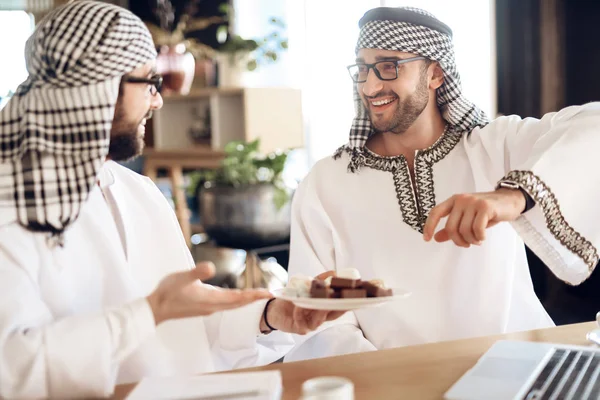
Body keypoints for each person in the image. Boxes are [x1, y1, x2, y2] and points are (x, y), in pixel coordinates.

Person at [0, 2, 342, 398]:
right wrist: (148, 312)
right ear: (98, 85)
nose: (158, 101)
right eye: (149, 83)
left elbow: (182, 324)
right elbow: (14, 369)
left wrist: (269, 315)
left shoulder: (135, 190)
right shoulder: (11, 201)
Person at [283, 6, 600, 362]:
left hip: (517, 370)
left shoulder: (496, 146)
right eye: (363, 68)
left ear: (435, 74)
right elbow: (318, 322)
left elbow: (594, 127)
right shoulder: (324, 184)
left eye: (389, 66)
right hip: (385, 383)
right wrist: (397, 381)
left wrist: (514, 196)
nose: (370, 86)